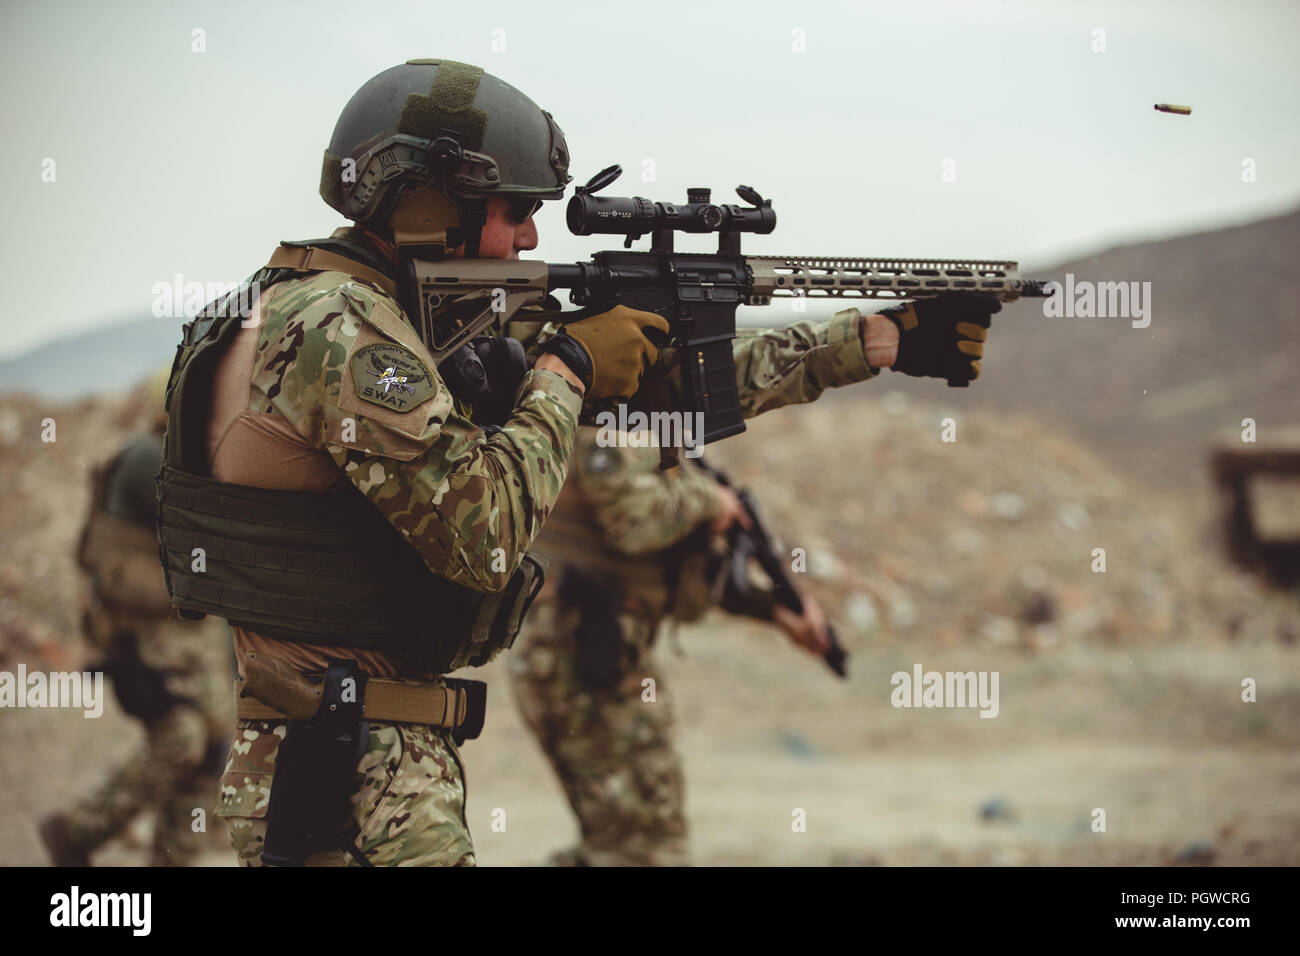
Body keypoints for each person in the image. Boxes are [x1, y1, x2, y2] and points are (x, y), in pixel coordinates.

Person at [158, 58, 996, 867]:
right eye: (513, 208)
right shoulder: (337, 327)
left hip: (361, 754)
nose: (530, 234)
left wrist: (870, 341)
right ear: (421, 201)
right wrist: (565, 369)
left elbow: (667, 385)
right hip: (343, 765)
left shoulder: (368, 314)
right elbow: (484, 534)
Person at [509, 429, 830, 866]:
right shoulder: (608, 416)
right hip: (583, 652)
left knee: (620, 842)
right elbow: (632, 522)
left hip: (589, 653)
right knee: (644, 847)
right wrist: (709, 502)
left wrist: (775, 612)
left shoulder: (652, 431)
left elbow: (679, 568)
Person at [40, 375, 233, 867]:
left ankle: (173, 857)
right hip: (148, 638)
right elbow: (209, 524)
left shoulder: (173, 457)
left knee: (212, 746)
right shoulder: (149, 458)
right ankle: (80, 830)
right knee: (182, 740)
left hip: (186, 634)